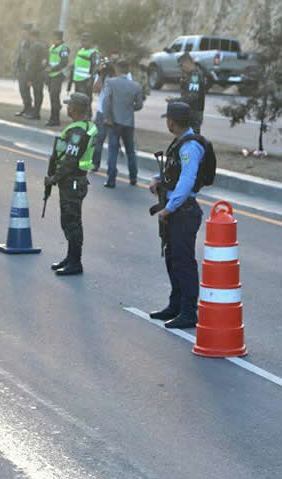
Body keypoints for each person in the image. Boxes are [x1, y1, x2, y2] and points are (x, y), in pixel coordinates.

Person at [149, 102, 205, 329]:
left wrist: (169, 208)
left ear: (172, 121)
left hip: (184, 211)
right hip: (176, 210)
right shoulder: (180, 143)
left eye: (168, 119)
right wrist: (157, 179)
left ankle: (189, 312)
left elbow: (186, 181)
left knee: (184, 262)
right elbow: (173, 170)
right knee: (172, 259)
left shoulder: (190, 146)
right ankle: (176, 305)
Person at [45, 93, 96, 276]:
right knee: (70, 221)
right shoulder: (86, 127)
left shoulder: (77, 132)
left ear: (74, 108)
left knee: (72, 223)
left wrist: (53, 179)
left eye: (69, 105)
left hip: (72, 182)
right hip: (77, 180)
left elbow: (69, 161)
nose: (67, 108)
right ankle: (70, 258)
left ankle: (75, 263)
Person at [102, 59, 144, 187]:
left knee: (113, 151)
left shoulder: (110, 82)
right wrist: (129, 109)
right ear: (128, 70)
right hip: (129, 122)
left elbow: (107, 101)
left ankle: (111, 179)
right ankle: (133, 177)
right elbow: (139, 105)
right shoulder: (135, 86)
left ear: (117, 69)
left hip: (114, 121)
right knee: (130, 151)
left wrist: (107, 116)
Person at [89, 53, 118, 173]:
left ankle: (112, 168)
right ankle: (95, 164)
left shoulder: (121, 76)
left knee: (113, 142)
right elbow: (95, 89)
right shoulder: (102, 75)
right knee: (98, 139)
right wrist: (100, 75)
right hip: (101, 111)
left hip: (115, 113)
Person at [168, 52, 207, 134]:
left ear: (188, 63)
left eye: (182, 65)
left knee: (193, 136)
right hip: (190, 111)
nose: (181, 68)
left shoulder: (195, 76)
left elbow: (193, 96)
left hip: (195, 112)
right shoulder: (189, 75)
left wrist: (176, 100)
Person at [68, 33, 100, 109]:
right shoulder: (81, 50)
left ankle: (87, 117)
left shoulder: (93, 52)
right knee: (78, 100)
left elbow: (95, 67)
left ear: (90, 41)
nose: (83, 42)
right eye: (82, 41)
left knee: (85, 101)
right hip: (77, 79)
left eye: (85, 41)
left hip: (86, 81)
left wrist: (91, 80)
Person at [44, 30, 69, 127]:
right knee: (52, 97)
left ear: (57, 38)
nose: (52, 39)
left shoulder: (64, 49)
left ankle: (55, 120)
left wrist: (52, 69)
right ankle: (53, 117)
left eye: (53, 37)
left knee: (54, 97)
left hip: (58, 75)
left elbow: (64, 62)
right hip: (51, 76)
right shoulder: (52, 47)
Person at [23, 28, 47, 120]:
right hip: (41, 73)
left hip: (35, 74)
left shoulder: (35, 46)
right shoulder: (43, 46)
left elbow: (32, 63)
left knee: (36, 94)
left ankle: (35, 114)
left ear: (32, 36)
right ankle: (36, 113)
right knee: (39, 94)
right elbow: (44, 61)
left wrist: (29, 78)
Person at [14, 24, 33, 117]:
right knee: (22, 89)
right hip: (21, 69)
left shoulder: (31, 42)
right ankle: (26, 108)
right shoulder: (23, 41)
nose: (23, 32)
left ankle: (29, 109)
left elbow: (29, 57)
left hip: (26, 70)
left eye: (25, 30)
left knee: (25, 89)